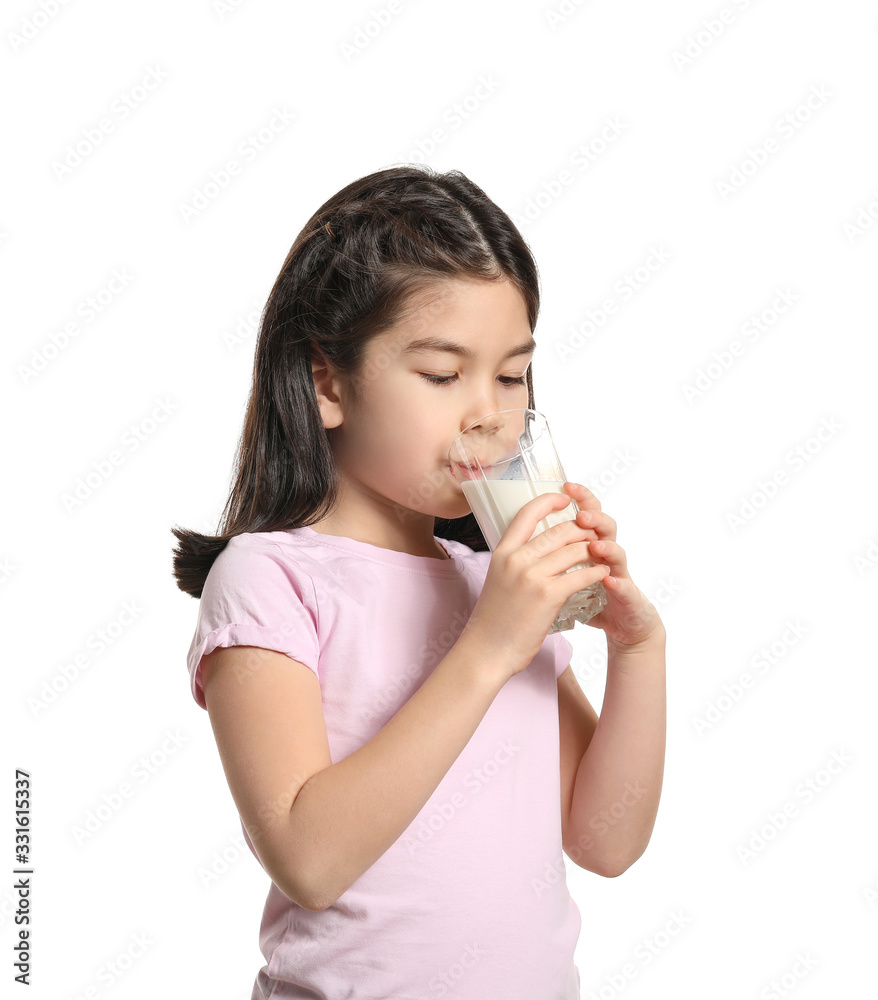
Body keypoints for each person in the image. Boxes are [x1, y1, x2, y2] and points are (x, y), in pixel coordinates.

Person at [171, 164, 667, 1000]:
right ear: (329, 382)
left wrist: (638, 645)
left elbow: (605, 841)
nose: (488, 413)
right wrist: (489, 647)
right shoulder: (270, 579)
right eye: (443, 375)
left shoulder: (490, 582)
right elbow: (310, 860)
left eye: (512, 376)